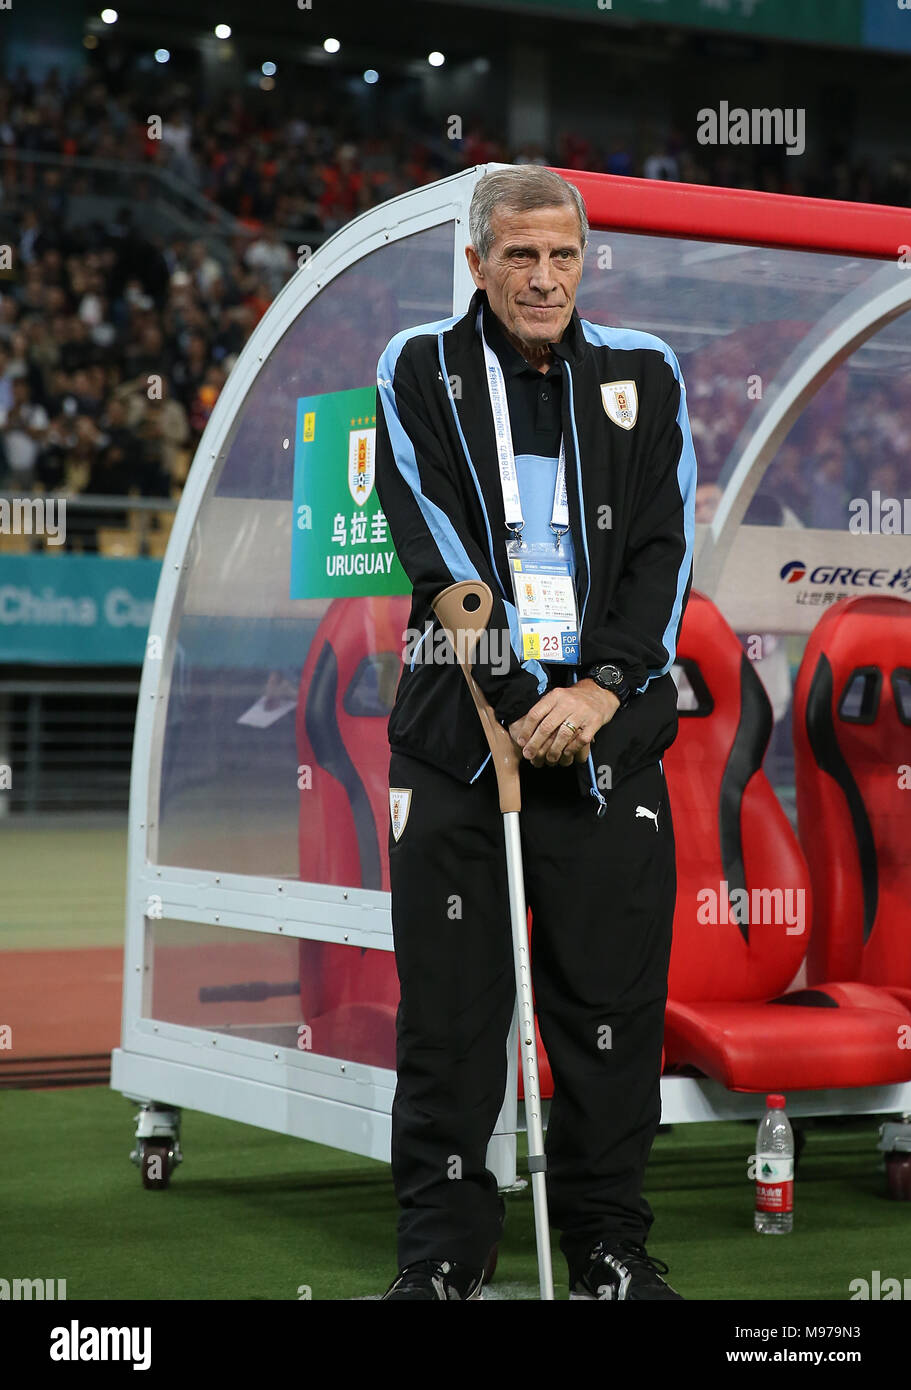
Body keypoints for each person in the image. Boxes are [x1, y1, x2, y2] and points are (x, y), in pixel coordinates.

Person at [374, 166, 696, 1301]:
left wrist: (602, 690)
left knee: (607, 1016)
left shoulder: (642, 374)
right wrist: (517, 700)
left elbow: (662, 548)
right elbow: (436, 549)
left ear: (584, 260)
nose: (543, 276)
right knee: (452, 1022)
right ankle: (443, 1260)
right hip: (460, 738)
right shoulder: (420, 367)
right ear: (476, 262)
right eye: (519, 254)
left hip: (606, 740)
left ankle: (608, 1244)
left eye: (562, 255)